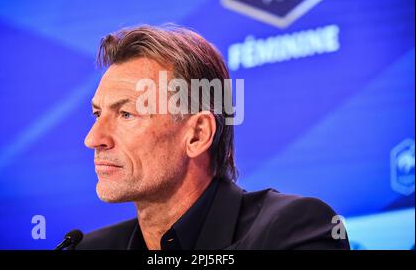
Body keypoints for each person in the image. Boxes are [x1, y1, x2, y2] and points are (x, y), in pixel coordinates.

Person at [76, 24, 350, 250]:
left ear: (197, 135)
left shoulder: (291, 231)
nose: (93, 138)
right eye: (98, 114)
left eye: (126, 114)